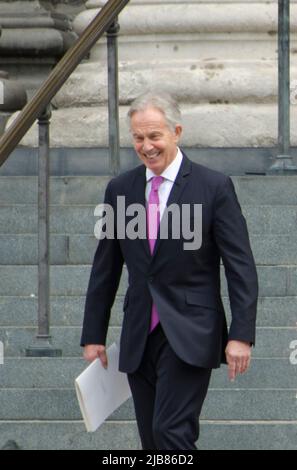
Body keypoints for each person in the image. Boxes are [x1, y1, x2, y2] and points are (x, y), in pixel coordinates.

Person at [81, 92, 258, 450]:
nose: (147, 146)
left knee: (171, 433)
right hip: (139, 334)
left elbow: (240, 266)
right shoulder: (120, 189)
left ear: (176, 132)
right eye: (138, 138)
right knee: (151, 441)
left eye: (154, 136)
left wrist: (241, 334)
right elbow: (106, 267)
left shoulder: (213, 187)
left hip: (190, 330)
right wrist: (93, 333)